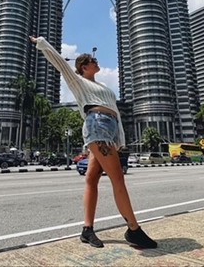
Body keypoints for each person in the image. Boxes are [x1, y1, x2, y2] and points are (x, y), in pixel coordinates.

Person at [30, 35, 157, 249]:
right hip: (97, 126)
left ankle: (87, 230)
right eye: (93, 61)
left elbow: (115, 112)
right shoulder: (77, 81)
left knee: (92, 179)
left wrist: (119, 140)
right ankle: (134, 230)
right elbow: (60, 62)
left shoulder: (103, 87)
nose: (98, 63)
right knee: (118, 179)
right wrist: (41, 42)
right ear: (83, 66)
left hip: (110, 129)